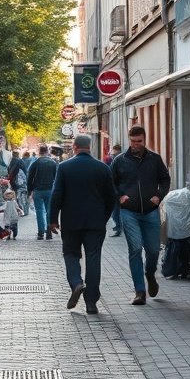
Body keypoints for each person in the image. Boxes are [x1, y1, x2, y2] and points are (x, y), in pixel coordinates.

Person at [49, 134, 116, 314]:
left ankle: (76, 282)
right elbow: (111, 197)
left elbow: (56, 194)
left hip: (71, 221)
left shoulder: (64, 167)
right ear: (90, 147)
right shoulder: (103, 168)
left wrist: (53, 219)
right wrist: (104, 217)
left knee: (70, 253)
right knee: (93, 258)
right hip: (95, 222)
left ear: (74, 147)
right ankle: (91, 302)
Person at [111, 126, 171, 304]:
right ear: (129, 139)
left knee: (153, 250)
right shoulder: (120, 160)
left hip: (151, 212)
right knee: (135, 249)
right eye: (133, 141)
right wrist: (120, 197)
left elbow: (165, 179)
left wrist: (159, 196)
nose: (136, 144)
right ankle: (139, 291)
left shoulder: (154, 159)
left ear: (145, 140)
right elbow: (110, 182)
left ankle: (150, 273)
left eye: (139, 141)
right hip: (129, 212)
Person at [27, 144, 59, 240]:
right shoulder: (53, 163)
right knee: (49, 211)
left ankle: (41, 233)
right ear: (47, 151)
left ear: (39, 152)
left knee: (39, 212)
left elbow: (30, 178)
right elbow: (56, 178)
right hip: (49, 189)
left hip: (38, 190)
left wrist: (29, 190)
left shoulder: (35, 163)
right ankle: (49, 230)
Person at [105, 144, 123, 236]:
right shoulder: (120, 160)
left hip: (117, 191)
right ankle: (118, 228)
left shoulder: (114, 161)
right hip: (121, 191)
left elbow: (109, 175)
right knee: (118, 211)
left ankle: (118, 228)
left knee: (116, 212)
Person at [7, 148, 29, 215]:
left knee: (17, 196)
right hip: (20, 182)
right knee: (23, 196)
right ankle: (24, 210)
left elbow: (9, 171)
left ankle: (20, 209)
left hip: (13, 181)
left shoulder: (11, 162)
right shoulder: (20, 161)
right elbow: (25, 171)